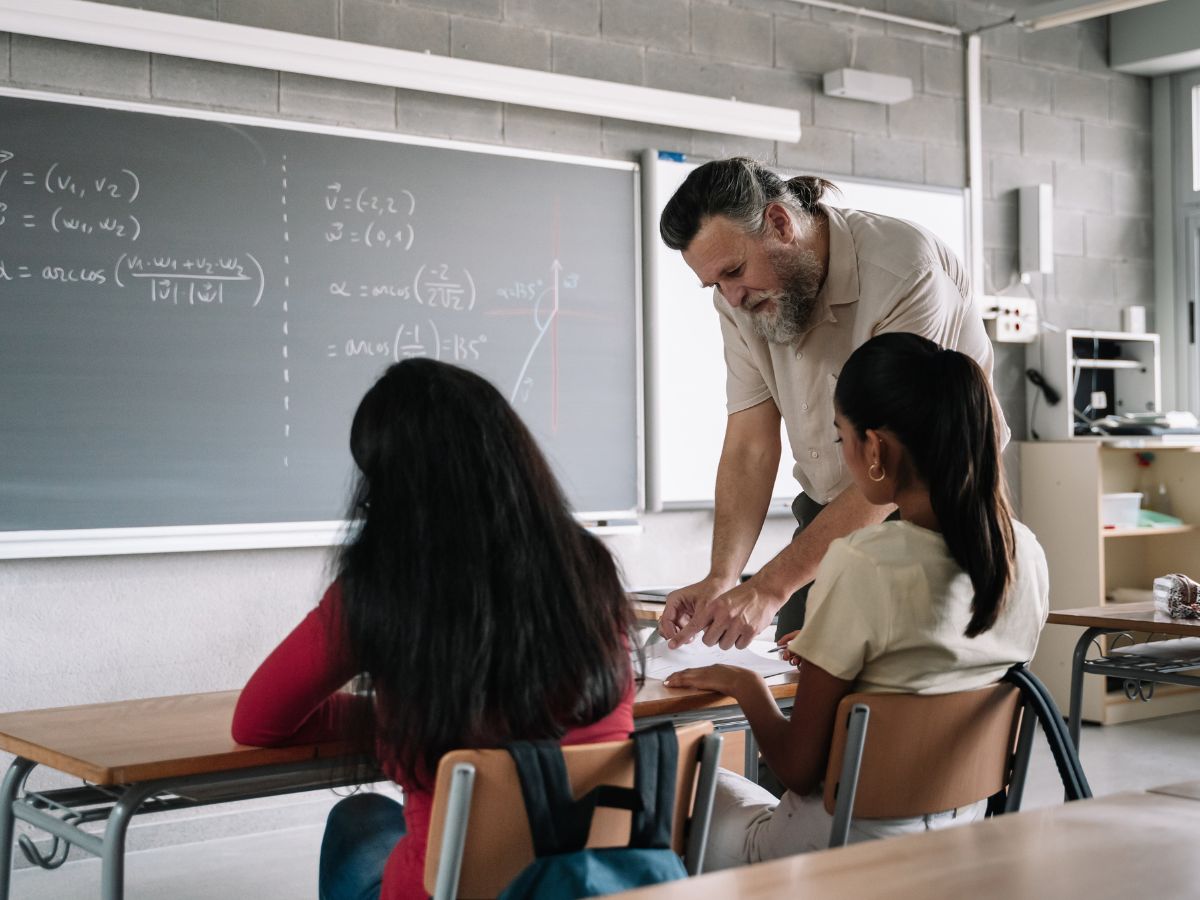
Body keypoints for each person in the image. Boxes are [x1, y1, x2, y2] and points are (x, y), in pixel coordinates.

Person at [231, 359, 637, 900]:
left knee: (359, 819)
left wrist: (414, 710)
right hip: (586, 887)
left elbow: (258, 721)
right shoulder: (587, 568)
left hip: (447, 891)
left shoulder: (380, 586)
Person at [662, 333, 1049, 866]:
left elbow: (798, 770)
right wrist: (834, 650)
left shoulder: (865, 560)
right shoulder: (1023, 553)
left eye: (840, 437)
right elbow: (936, 667)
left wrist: (744, 683)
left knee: (666, 774)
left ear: (875, 449)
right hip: (954, 843)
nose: (841, 453)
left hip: (836, 852)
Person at [657, 157, 1008, 648]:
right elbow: (750, 447)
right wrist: (724, 578)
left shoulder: (905, 269)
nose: (731, 298)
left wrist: (772, 585)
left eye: (734, 270)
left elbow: (901, 460)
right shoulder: (738, 300)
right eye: (715, 283)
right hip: (827, 515)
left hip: (932, 514)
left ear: (780, 223)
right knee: (797, 689)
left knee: (899, 703)